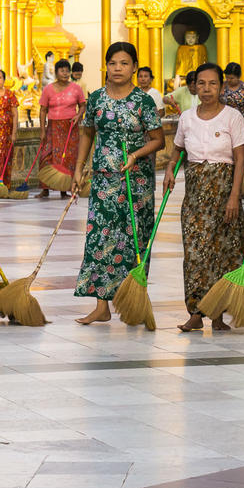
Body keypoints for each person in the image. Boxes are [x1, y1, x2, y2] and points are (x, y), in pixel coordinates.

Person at [72, 42, 164, 325]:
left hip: (135, 183)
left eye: (124, 63)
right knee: (101, 238)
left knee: (135, 241)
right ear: (106, 66)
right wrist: (79, 167)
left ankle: (133, 303)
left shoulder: (143, 101)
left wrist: (135, 155)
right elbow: (87, 132)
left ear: (134, 67)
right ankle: (102, 306)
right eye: (113, 63)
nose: (118, 69)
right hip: (103, 182)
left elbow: (158, 139)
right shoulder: (97, 98)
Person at [163, 62, 244, 333]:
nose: (207, 89)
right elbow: (177, 150)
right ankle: (196, 312)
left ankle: (219, 315)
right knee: (195, 254)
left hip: (225, 193)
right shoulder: (187, 117)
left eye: (213, 83)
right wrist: (169, 169)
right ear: (194, 86)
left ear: (222, 86)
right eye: (202, 83)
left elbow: (240, 158)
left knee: (224, 253)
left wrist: (235, 196)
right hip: (196, 197)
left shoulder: (232, 117)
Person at [38, 58, 86, 199]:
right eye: (62, 70)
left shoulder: (76, 88)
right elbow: (42, 110)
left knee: (68, 158)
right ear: (56, 72)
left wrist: (78, 116)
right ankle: (45, 189)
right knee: (46, 157)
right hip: (53, 128)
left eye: (67, 71)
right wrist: (42, 130)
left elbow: (83, 105)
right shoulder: (48, 89)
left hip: (70, 127)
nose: (65, 73)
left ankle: (64, 190)